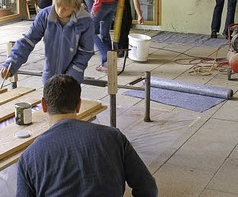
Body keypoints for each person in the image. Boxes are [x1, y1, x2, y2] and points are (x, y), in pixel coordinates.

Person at [16, 74, 158, 197]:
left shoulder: (29, 156)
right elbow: (147, 187)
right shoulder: (113, 137)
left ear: (44, 105)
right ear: (78, 105)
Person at [1, 0, 94, 85]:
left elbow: (86, 51)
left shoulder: (85, 21)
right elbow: (27, 41)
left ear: (75, 6)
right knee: (48, 100)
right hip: (49, 75)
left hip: (73, 77)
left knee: (69, 100)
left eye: (65, 8)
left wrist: (72, 75)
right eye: (57, 5)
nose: (59, 11)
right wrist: (11, 64)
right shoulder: (44, 16)